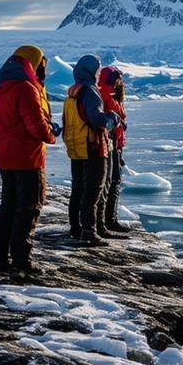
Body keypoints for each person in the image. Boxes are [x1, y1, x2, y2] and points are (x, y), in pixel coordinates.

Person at [0, 45, 60, 275]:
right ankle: (21, 260)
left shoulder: (0, 89)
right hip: (29, 159)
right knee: (29, 208)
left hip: (6, 158)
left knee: (7, 208)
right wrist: (51, 133)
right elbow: (36, 126)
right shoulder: (27, 89)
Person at [63, 55, 119, 246]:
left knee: (78, 189)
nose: (98, 73)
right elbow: (97, 120)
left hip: (76, 147)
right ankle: (89, 230)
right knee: (93, 190)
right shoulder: (90, 92)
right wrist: (112, 118)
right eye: (97, 69)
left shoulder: (73, 91)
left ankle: (76, 227)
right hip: (92, 146)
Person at [98, 66, 132, 234]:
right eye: (117, 78)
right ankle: (108, 221)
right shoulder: (105, 95)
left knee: (112, 182)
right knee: (111, 183)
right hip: (110, 144)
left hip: (115, 144)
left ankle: (108, 219)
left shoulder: (112, 95)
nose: (120, 81)